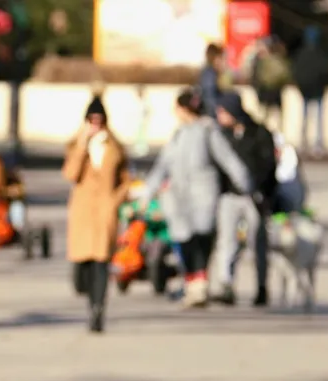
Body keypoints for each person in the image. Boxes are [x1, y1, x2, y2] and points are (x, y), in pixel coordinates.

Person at [138, 89, 250, 309]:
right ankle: (192, 283)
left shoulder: (208, 131)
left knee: (201, 239)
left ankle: (199, 285)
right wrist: (147, 193)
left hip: (204, 196)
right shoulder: (178, 135)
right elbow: (163, 165)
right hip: (179, 199)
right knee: (184, 240)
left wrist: (245, 182)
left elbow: (227, 159)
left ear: (184, 108)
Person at [63, 95, 130, 333]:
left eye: (99, 120)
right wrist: (83, 144)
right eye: (91, 120)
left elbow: (125, 181)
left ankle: (98, 309)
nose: (95, 124)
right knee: (82, 268)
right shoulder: (75, 145)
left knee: (101, 263)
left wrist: (115, 200)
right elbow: (70, 174)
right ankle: (86, 293)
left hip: (105, 211)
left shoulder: (115, 148)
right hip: (83, 211)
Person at [211, 92, 277, 307]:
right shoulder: (221, 136)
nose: (219, 116)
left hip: (254, 197)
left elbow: (268, 166)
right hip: (229, 196)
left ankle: (261, 286)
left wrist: (262, 192)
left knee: (257, 243)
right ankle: (226, 285)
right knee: (227, 241)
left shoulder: (259, 134)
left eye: (222, 111)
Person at [292, 26, 328, 157]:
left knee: (306, 116)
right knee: (317, 118)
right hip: (316, 89)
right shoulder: (321, 54)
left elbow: (296, 72)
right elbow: (326, 72)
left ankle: (304, 142)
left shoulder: (301, 54)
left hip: (306, 89)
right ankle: (317, 144)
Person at [251, 37, 290, 132]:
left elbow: (283, 73)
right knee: (265, 118)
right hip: (266, 92)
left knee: (272, 118)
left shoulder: (273, 59)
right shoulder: (258, 60)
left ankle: (275, 135)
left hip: (271, 92)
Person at [198, 45, 226, 118]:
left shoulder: (209, 72)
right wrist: (218, 114)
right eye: (221, 58)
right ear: (215, 58)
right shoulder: (209, 74)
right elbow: (209, 97)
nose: (223, 61)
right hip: (211, 115)